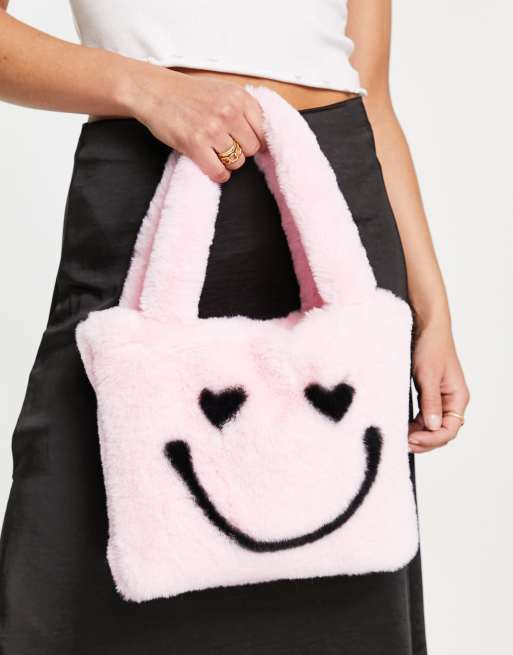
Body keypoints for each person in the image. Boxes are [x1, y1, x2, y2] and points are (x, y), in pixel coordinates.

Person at [0, 1, 469, 653]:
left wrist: (432, 312)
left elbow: (373, 95)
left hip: (335, 196)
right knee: (72, 567)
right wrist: (146, 89)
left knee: (340, 575)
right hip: (147, 173)